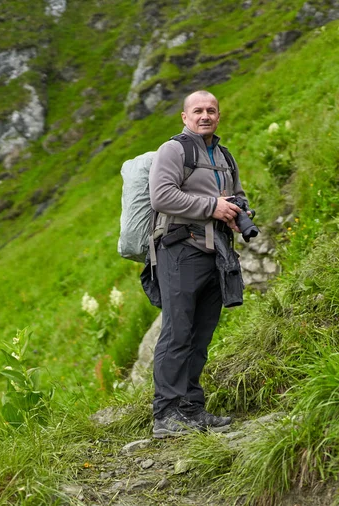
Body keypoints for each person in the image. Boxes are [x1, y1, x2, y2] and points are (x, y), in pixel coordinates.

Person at [149, 90, 247, 438]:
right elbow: (161, 196)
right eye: (198, 111)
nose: (205, 116)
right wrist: (212, 207)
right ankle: (166, 415)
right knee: (178, 331)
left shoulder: (224, 156)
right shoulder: (174, 150)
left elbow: (235, 194)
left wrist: (238, 212)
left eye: (211, 110)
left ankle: (191, 409)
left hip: (216, 253)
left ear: (218, 115)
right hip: (179, 250)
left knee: (201, 333)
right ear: (184, 116)